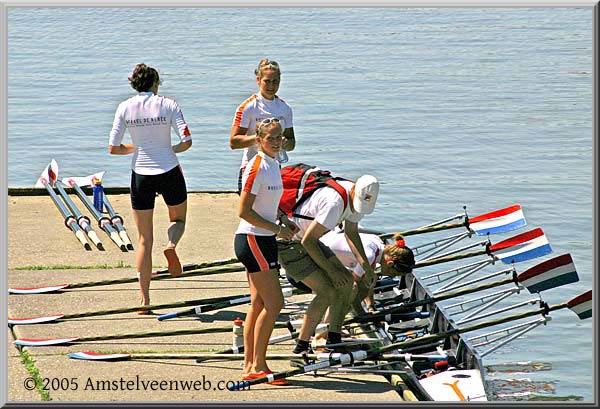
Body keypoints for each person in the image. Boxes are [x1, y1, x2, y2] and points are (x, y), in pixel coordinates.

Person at [108, 63, 192, 310]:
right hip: (169, 170)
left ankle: (144, 298)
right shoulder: (169, 104)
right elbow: (186, 140)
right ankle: (171, 245)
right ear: (155, 83)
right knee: (178, 221)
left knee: (144, 239)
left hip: (141, 175)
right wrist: (168, 149)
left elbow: (113, 148)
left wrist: (139, 148)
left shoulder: (124, 107)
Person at [277, 172, 380, 354]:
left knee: (347, 282)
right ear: (354, 188)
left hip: (312, 241)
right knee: (328, 290)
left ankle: (334, 338)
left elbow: (351, 233)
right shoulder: (334, 203)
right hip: (289, 243)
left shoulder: (359, 200)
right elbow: (307, 242)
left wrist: (366, 267)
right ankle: (302, 346)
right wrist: (332, 272)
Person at [234, 118, 297, 385]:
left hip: (264, 238)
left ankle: (251, 365)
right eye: (270, 138)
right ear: (258, 140)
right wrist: (276, 228)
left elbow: (267, 202)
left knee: (259, 304)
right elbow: (244, 210)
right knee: (275, 304)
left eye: (279, 137)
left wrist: (283, 218)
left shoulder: (274, 163)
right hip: (253, 240)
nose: (276, 141)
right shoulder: (256, 165)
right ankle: (257, 365)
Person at [311, 231, 415, 344]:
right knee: (350, 289)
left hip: (322, 255)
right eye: (394, 274)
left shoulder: (377, 244)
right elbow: (351, 288)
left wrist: (371, 307)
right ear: (390, 263)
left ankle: (331, 326)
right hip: (312, 262)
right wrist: (362, 315)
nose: (392, 276)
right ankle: (322, 334)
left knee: (367, 281)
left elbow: (366, 283)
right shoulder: (369, 256)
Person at [230, 59, 295, 193]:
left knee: (271, 212)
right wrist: (264, 138)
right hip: (251, 168)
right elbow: (234, 142)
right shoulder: (248, 107)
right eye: (267, 81)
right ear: (258, 80)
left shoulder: (285, 108)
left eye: (275, 81)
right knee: (248, 212)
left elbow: (292, 143)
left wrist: (283, 143)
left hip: (274, 168)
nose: (271, 86)